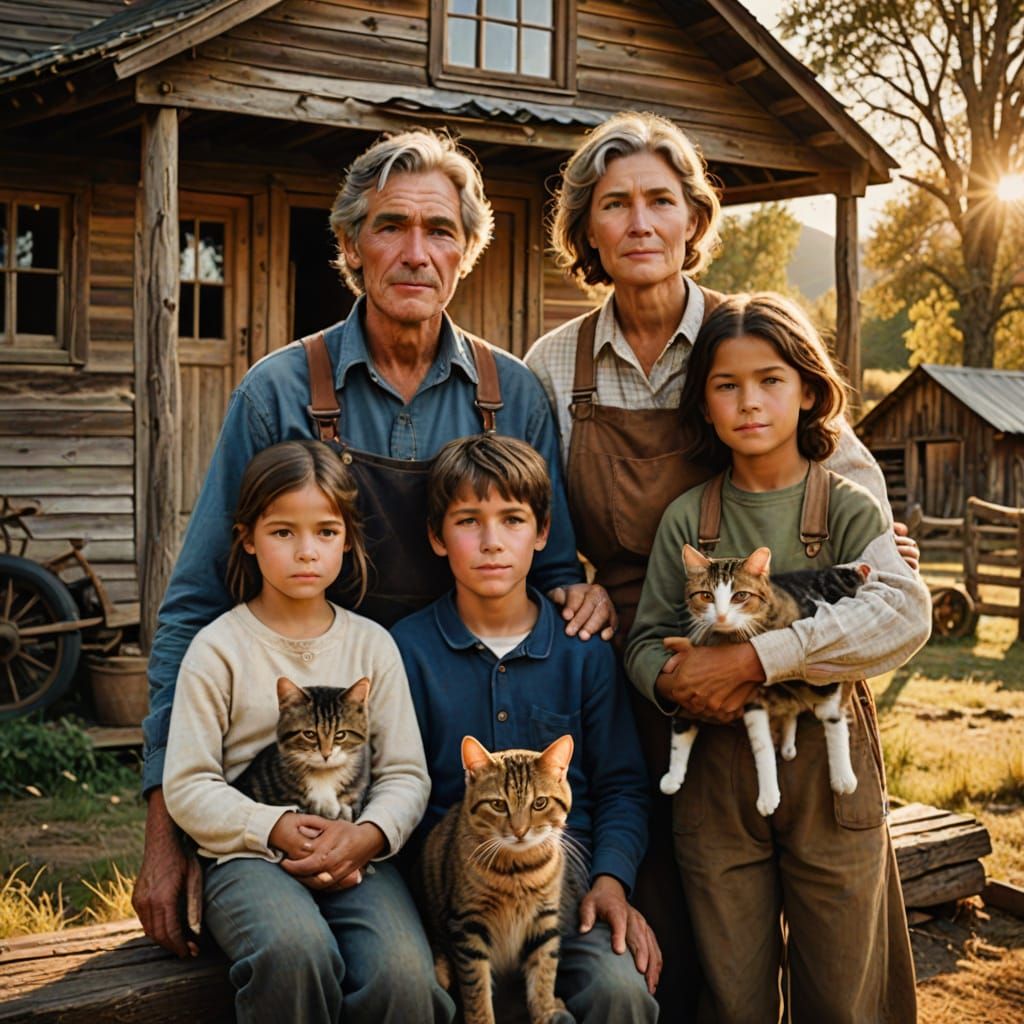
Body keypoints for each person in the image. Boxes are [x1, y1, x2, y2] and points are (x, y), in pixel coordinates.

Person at [134, 128, 616, 957]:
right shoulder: (278, 390)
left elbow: (558, 567)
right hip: (315, 759)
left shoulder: (517, 397)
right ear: (351, 245)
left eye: (440, 231)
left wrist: (589, 593)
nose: (416, 252)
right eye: (391, 226)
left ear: (466, 251)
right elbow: (193, 605)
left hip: (468, 757)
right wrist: (163, 831)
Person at [523, 109, 920, 1015]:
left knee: (836, 948)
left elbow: (850, 512)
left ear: (695, 220)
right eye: (614, 204)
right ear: (586, 227)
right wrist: (565, 580)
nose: (639, 223)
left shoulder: (750, 340)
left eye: (661, 200)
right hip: (645, 675)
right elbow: (526, 513)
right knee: (698, 942)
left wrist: (865, 555)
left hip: (787, 665)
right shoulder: (555, 366)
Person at [626, 293, 930, 1023]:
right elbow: (643, 639)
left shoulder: (850, 507)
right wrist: (677, 680)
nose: (749, 402)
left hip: (831, 770)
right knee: (732, 987)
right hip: (715, 780)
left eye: (770, 380)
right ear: (703, 404)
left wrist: (758, 660)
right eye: (726, 386)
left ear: (808, 390)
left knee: (844, 983)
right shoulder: (688, 517)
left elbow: (903, 614)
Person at [162, 440, 450, 1022]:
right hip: (244, 855)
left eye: (324, 531)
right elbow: (189, 784)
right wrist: (272, 826)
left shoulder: (372, 646)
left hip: (356, 853)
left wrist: (370, 834)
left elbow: (404, 773)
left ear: (347, 538)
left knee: (404, 977)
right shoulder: (218, 648)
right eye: (282, 532)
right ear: (247, 536)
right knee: (295, 953)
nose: (305, 552)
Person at [391, 434, 660, 1021]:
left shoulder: (583, 649)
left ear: (541, 533)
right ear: (437, 537)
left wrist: (612, 881)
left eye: (512, 520)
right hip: (450, 893)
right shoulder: (404, 652)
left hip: (564, 885)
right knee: (410, 988)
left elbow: (621, 785)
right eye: (468, 521)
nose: (491, 542)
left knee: (622, 993)